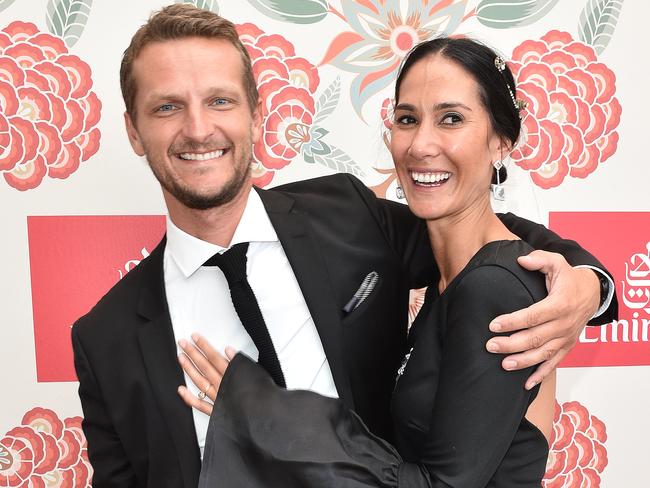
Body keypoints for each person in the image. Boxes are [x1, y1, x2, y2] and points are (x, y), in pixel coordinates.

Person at [71, 5, 616, 487]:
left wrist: (591, 285)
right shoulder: (106, 339)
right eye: (167, 107)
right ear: (134, 131)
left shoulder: (346, 213)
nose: (198, 128)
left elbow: (481, 236)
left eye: (220, 100)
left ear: (257, 115)